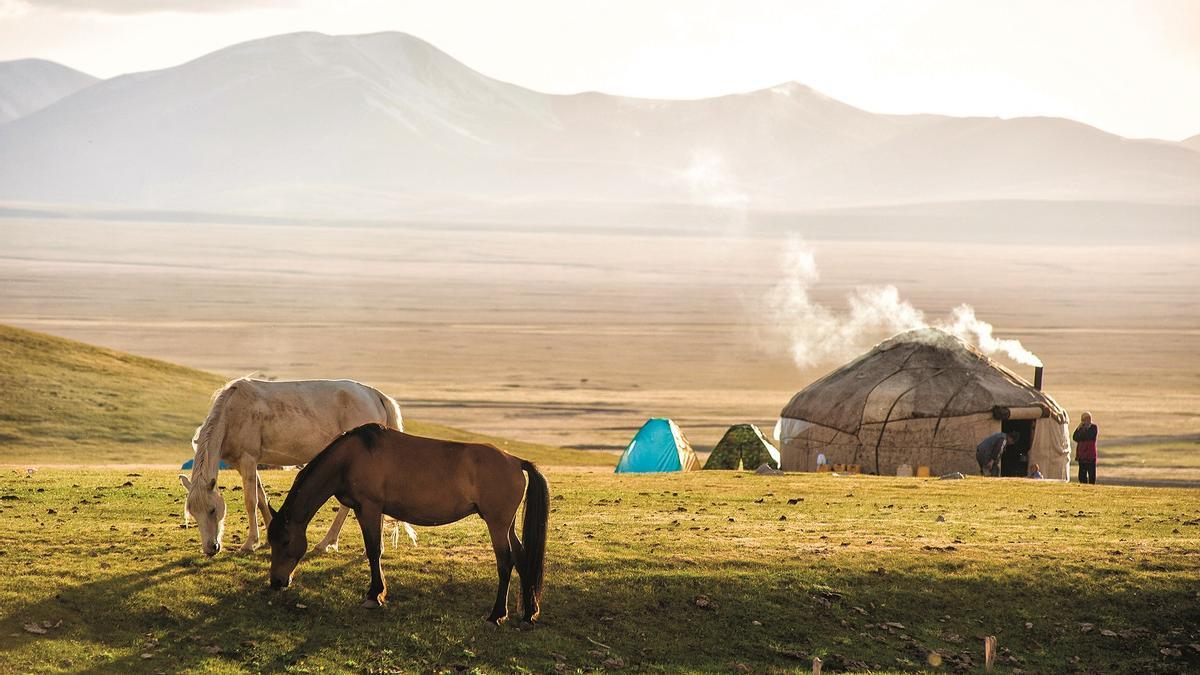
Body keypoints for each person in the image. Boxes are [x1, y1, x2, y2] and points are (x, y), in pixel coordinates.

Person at [1073, 412, 1098, 484]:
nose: (1088, 420)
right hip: (1082, 455)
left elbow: (1089, 436)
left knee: (1091, 474)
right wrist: (1080, 428)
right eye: (1085, 419)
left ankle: (1091, 487)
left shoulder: (1093, 427)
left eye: (1089, 418)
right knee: (1081, 475)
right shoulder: (1080, 428)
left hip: (1090, 455)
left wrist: (1083, 430)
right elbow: (1075, 437)